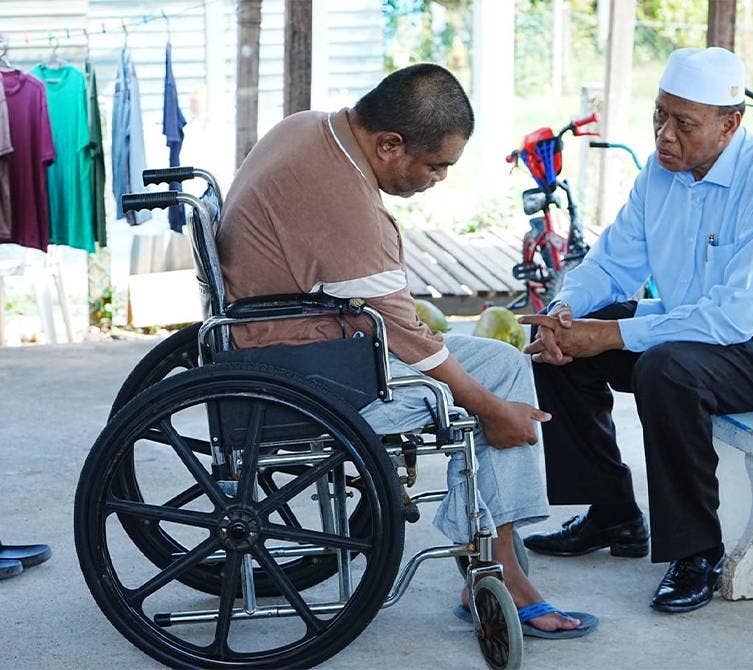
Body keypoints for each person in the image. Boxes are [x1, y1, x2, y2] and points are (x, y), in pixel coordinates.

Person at [217, 63, 596, 638]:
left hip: (295, 345)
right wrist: (493, 414)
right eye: (436, 164)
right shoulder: (340, 199)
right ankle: (500, 571)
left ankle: (492, 559)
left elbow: (395, 322)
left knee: (505, 365)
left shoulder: (309, 129)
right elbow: (407, 337)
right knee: (493, 395)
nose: (440, 177)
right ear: (389, 145)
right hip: (307, 378)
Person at [519, 47, 753, 614]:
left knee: (665, 370)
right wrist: (566, 310)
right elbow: (614, 263)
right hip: (692, 328)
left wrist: (612, 335)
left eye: (684, 124)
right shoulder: (659, 175)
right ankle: (612, 514)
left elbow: (734, 318)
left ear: (731, 124)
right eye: (659, 116)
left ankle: (697, 551)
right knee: (557, 349)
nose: (665, 135)